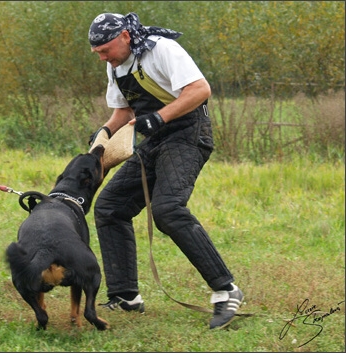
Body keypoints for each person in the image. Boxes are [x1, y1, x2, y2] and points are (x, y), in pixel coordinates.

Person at [87, 12, 244, 329]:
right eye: (98, 53)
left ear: (125, 38)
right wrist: (103, 133)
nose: (102, 57)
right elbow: (123, 110)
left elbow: (200, 90)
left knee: (168, 209)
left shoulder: (161, 49)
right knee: (109, 206)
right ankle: (125, 297)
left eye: (105, 50)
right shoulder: (116, 65)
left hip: (188, 135)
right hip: (155, 140)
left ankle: (226, 291)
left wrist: (159, 118)